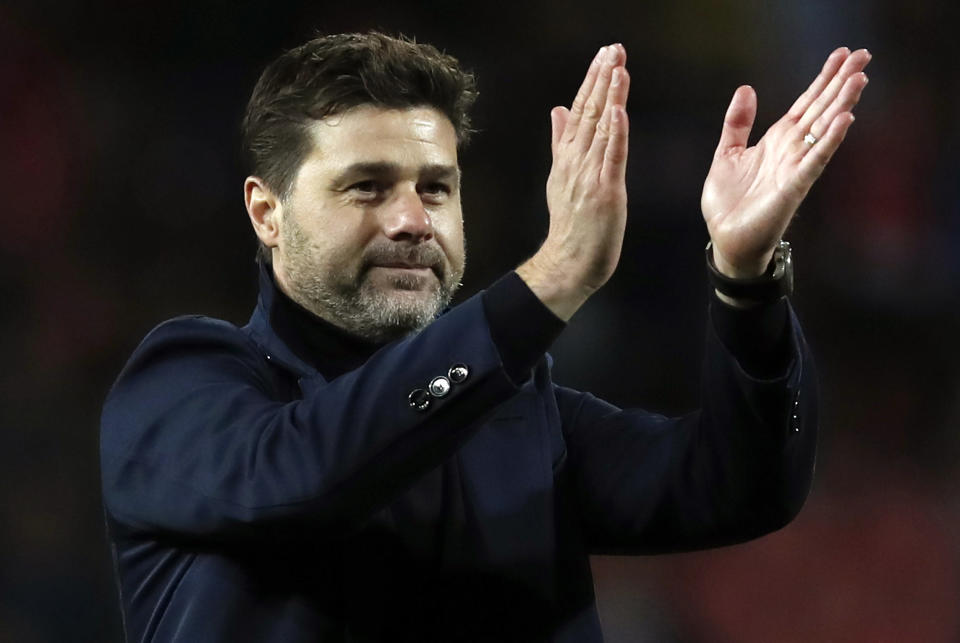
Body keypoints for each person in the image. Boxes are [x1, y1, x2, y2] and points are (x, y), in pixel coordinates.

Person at [100, 32, 870, 642]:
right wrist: (555, 276)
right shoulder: (183, 384)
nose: (412, 219)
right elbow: (302, 475)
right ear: (267, 213)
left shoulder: (520, 414)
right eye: (367, 186)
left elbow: (743, 488)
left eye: (436, 187)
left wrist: (747, 280)